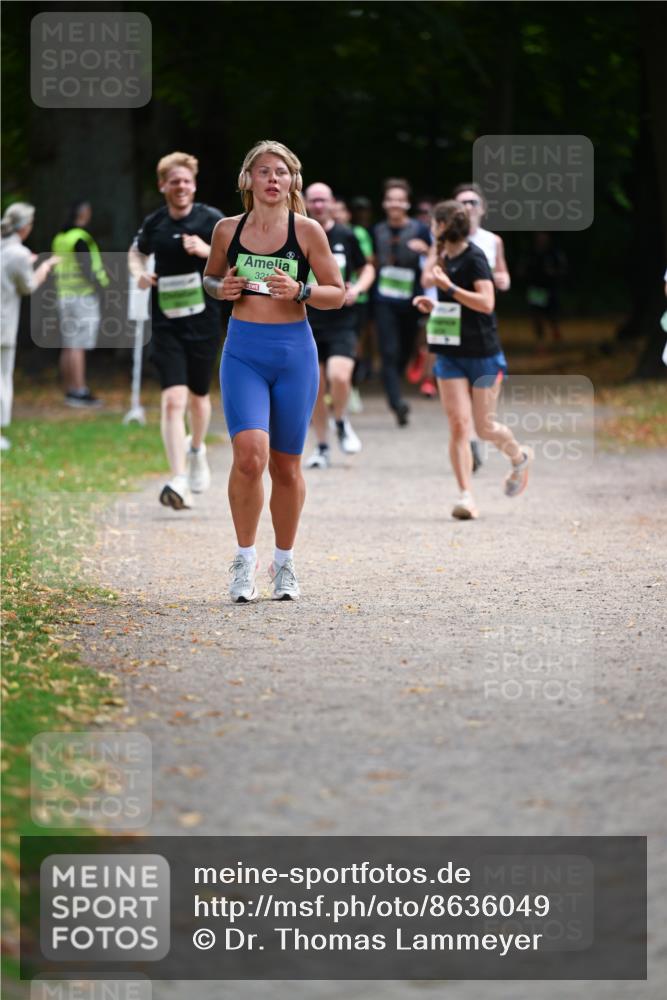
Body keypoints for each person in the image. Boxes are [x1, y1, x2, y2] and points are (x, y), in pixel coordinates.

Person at [203, 139, 345, 602]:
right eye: (263, 171)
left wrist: (301, 289)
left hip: (293, 355)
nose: (272, 180)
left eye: (280, 173)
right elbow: (210, 278)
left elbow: (337, 292)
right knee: (250, 455)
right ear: (247, 179)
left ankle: (283, 564)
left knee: (285, 467)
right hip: (244, 351)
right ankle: (244, 560)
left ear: (292, 181)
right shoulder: (227, 229)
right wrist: (221, 288)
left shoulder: (307, 232)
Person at [415, 200, 532, 520]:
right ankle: (466, 496)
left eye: (433, 223)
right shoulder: (440, 256)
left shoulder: (475, 258)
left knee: (484, 427)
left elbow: (486, 303)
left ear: (442, 225)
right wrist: (432, 304)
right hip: (449, 351)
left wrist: (449, 287)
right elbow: (452, 303)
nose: (431, 228)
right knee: (458, 426)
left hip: (482, 352)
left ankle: (519, 457)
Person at [128, 152, 224, 510]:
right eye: (174, 181)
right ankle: (179, 478)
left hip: (203, 320)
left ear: (194, 184)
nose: (180, 186)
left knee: (199, 397)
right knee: (172, 399)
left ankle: (196, 449)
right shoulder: (155, 222)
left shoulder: (211, 219)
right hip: (166, 320)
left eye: (186, 180)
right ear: (163, 185)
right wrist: (139, 272)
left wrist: (205, 250)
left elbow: (235, 258)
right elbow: (136, 252)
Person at [303, 183, 375, 469]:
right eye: (314, 200)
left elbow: (367, 267)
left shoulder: (346, 234)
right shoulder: (298, 234)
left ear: (332, 203)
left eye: (323, 200)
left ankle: (342, 420)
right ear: (306, 202)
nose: (319, 205)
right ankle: (321, 446)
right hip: (307, 319)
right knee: (316, 387)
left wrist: (357, 288)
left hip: (342, 318)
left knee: (340, 376)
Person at [453, 182, 511, 471]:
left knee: (482, 393)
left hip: (481, 319)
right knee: (456, 384)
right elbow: (429, 276)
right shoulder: (443, 238)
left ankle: (479, 434)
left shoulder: (492, 241)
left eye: (473, 202)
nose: (467, 207)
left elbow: (503, 274)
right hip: (451, 320)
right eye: (462, 202)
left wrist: (503, 281)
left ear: (483, 209)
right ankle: (469, 438)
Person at [1, 203, 59, 450]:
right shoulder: (19, 253)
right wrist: (44, 267)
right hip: (3, 325)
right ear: (25, 227)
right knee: (2, 379)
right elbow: (29, 286)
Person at [373, 178, 431, 426]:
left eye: (400, 199)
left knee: (405, 351)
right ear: (385, 203)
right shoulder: (377, 230)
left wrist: (426, 250)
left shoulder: (420, 229)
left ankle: (393, 385)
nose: (395, 203)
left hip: (411, 299)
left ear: (407, 203)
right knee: (388, 351)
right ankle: (397, 402)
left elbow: (436, 258)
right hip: (384, 299)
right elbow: (371, 261)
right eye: (390, 199)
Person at [52, 200, 109, 408]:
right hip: (82, 297)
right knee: (78, 345)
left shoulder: (60, 238)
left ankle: (69, 389)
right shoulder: (80, 238)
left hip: (64, 296)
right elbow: (87, 266)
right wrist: (99, 286)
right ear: (83, 214)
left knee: (68, 344)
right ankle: (79, 390)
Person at [519, 231, 568, 346]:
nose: (541, 239)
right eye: (539, 237)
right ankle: (540, 341)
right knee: (537, 315)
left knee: (552, 315)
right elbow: (521, 270)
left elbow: (563, 269)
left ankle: (556, 335)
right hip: (536, 289)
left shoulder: (554, 253)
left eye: (544, 237)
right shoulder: (531, 253)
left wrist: (554, 273)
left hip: (550, 288)